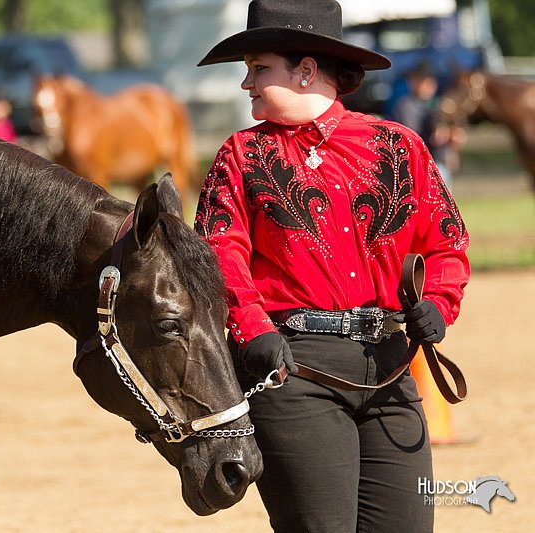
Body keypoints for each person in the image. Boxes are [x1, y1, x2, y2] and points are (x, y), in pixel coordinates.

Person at [194, 1, 470, 531]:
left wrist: (438, 301)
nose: (246, 85)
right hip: (292, 367)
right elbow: (217, 254)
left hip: (391, 369)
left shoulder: (398, 146)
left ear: (306, 71)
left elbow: (447, 243)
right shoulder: (240, 156)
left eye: (259, 69)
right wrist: (251, 329)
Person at [391, 62, 466, 189]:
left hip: (439, 163)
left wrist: (452, 136)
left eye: (426, 81)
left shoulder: (440, 105)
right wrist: (438, 134)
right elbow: (411, 137)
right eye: (417, 81)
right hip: (417, 165)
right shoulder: (406, 106)